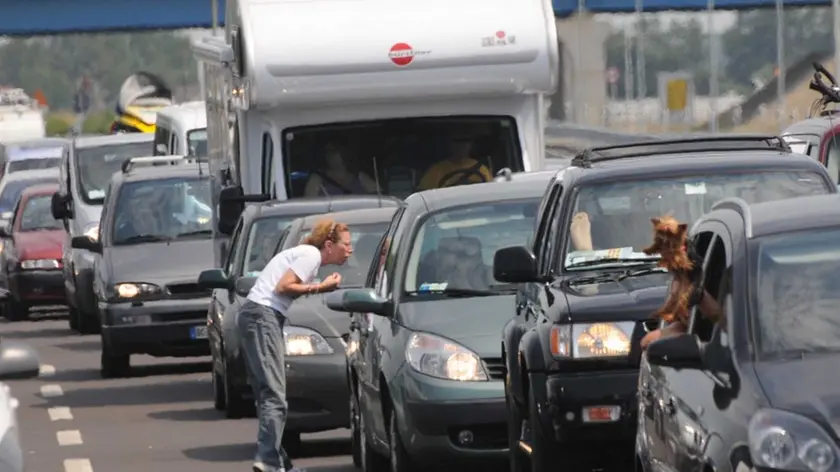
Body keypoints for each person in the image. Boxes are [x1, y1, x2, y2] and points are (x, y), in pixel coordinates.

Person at [239, 218, 353, 472]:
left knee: (269, 394)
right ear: (328, 244)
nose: (350, 249)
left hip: (258, 316)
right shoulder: (311, 255)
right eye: (346, 244)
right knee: (275, 397)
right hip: (262, 316)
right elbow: (284, 287)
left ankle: (279, 462)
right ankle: (267, 461)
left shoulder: (307, 255)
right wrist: (321, 287)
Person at [418, 136, 492, 190]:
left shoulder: (481, 169)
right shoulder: (436, 170)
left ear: (471, 145)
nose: (461, 145)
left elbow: (489, 193)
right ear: (450, 144)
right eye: (456, 141)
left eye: (465, 141)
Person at [304, 142, 378, 197]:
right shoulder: (317, 178)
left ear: (344, 152)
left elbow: (379, 197)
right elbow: (309, 205)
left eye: (334, 151)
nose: (330, 155)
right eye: (327, 152)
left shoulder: (360, 177)